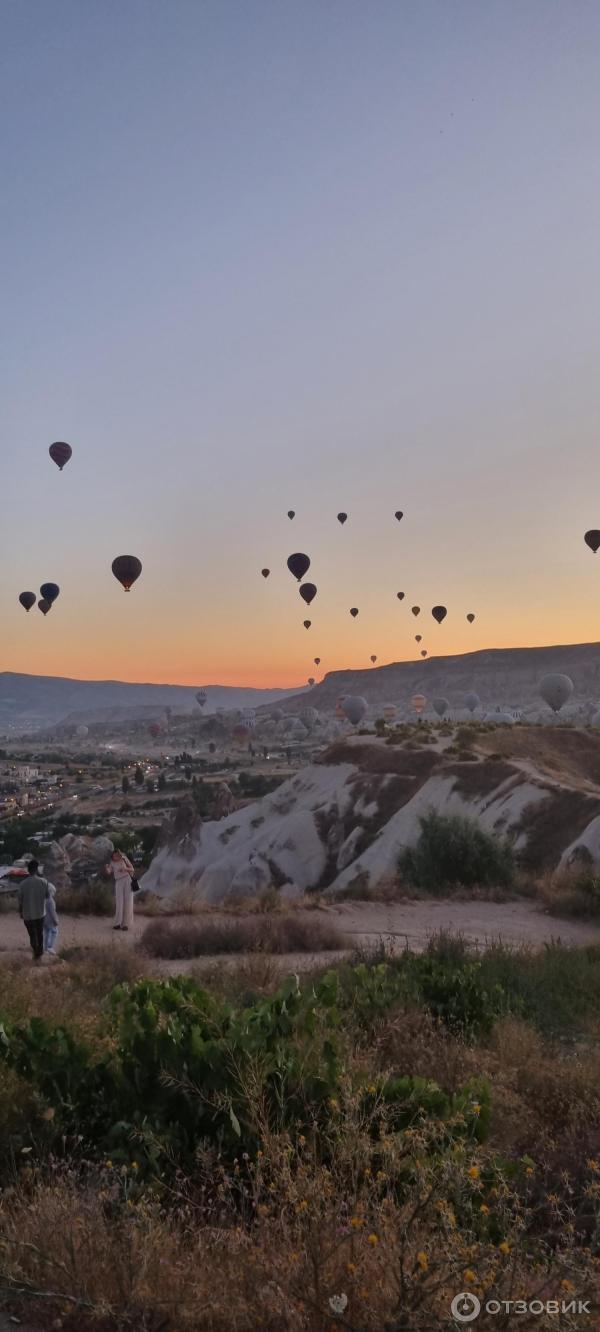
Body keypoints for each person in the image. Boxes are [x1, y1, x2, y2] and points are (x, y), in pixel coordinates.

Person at [18, 859, 54, 961]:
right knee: (40, 933)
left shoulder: (22, 884)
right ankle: (39, 954)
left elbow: (20, 901)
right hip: (40, 913)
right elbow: (48, 896)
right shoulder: (44, 882)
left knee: (32, 935)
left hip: (28, 915)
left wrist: (20, 912)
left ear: (28, 870)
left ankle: (36, 952)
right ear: (36, 869)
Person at [107, 848, 135, 930]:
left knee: (128, 902)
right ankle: (118, 923)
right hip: (118, 882)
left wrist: (125, 869)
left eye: (117, 855)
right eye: (114, 855)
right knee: (119, 902)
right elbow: (109, 872)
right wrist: (107, 869)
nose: (116, 857)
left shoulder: (124, 859)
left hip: (127, 880)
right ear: (112, 856)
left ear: (119, 854)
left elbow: (132, 869)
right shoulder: (112, 863)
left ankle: (126, 924)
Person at [44, 882, 59, 954]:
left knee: (46, 933)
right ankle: (50, 947)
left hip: (44, 919)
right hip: (50, 920)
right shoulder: (51, 901)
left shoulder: (43, 899)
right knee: (54, 932)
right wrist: (56, 920)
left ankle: (45, 948)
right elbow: (53, 912)